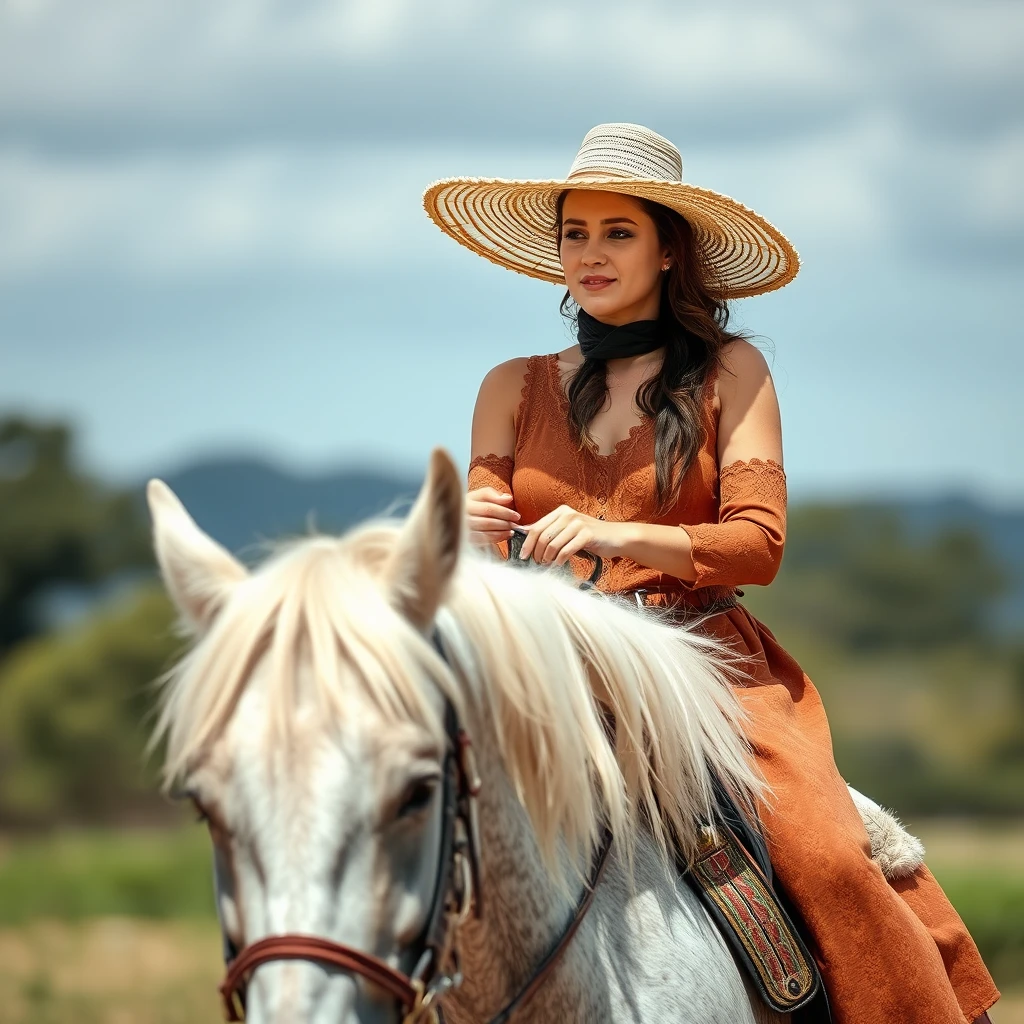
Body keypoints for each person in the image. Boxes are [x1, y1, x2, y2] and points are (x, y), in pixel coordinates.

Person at [421, 123, 999, 1023]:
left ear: (669, 247)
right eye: (575, 232)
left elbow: (758, 544)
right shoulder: (511, 383)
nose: (590, 253)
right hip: (545, 659)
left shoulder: (733, 370)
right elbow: (484, 544)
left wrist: (622, 540)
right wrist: (469, 525)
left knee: (831, 859)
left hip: (699, 665)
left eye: (618, 233)